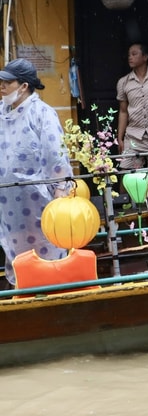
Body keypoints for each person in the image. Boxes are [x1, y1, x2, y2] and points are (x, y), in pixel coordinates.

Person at [0, 59, 74, 289]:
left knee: (46, 250)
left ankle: (52, 294)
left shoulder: (43, 114)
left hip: (39, 200)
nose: (1, 86)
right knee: (15, 251)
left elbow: (55, 155)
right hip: (8, 202)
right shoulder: (2, 112)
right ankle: (21, 293)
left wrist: (61, 191)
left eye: (7, 82)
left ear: (23, 86)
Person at [116, 42, 148, 170]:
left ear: (145, 57)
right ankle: (125, 192)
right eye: (129, 55)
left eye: (134, 54)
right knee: (126, 174)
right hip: (133, 138)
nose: (130, 57)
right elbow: (123, 111)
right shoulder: (123, 82)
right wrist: (119, 137)